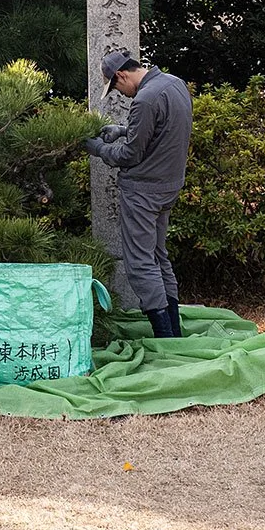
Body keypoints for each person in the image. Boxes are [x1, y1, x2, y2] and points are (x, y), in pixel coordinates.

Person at [84, 50, 192, 339]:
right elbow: (161, 131)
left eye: (116, 87)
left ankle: (165, 338)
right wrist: (121, 130)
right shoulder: (174, 83)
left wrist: (98, 149)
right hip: (168, 186)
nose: (121, 93)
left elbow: (132, 154)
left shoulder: (144, 99)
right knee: (159, 256)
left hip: (144, 191)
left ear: (121, 75)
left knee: (141, 263)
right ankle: (175, 333)